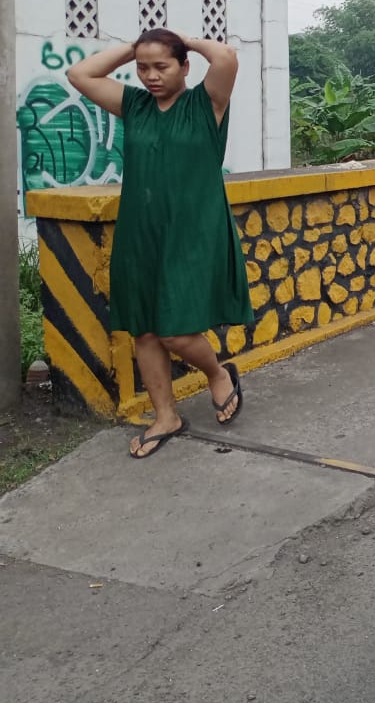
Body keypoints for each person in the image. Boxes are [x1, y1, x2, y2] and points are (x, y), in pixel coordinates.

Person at [67, 30, 253, 458]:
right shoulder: (134, 105)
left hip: (193, 231)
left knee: (174, 330)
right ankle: (165, 415)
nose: (150, 76)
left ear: (185, 67)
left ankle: (217, 372)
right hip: (140, 230)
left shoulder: (206, 103)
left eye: (161, 66)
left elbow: (225, 57)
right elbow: (80, 73)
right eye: (143, 68)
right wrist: (138, 47)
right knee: (145, 327)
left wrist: (184, 38)